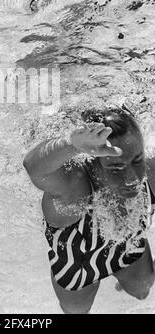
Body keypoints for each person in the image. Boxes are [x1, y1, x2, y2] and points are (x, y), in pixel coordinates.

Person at [23, 106, 155, 314]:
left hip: (128, 249)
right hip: (78, 268)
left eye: (137, 160)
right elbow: (33, 167)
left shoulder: (150, 172)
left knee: (143, 290)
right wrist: (72, 145)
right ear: (91, 163)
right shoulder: (75, 189)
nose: (132, 179)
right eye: (116, 168)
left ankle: (120, 280)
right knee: (76, 311)